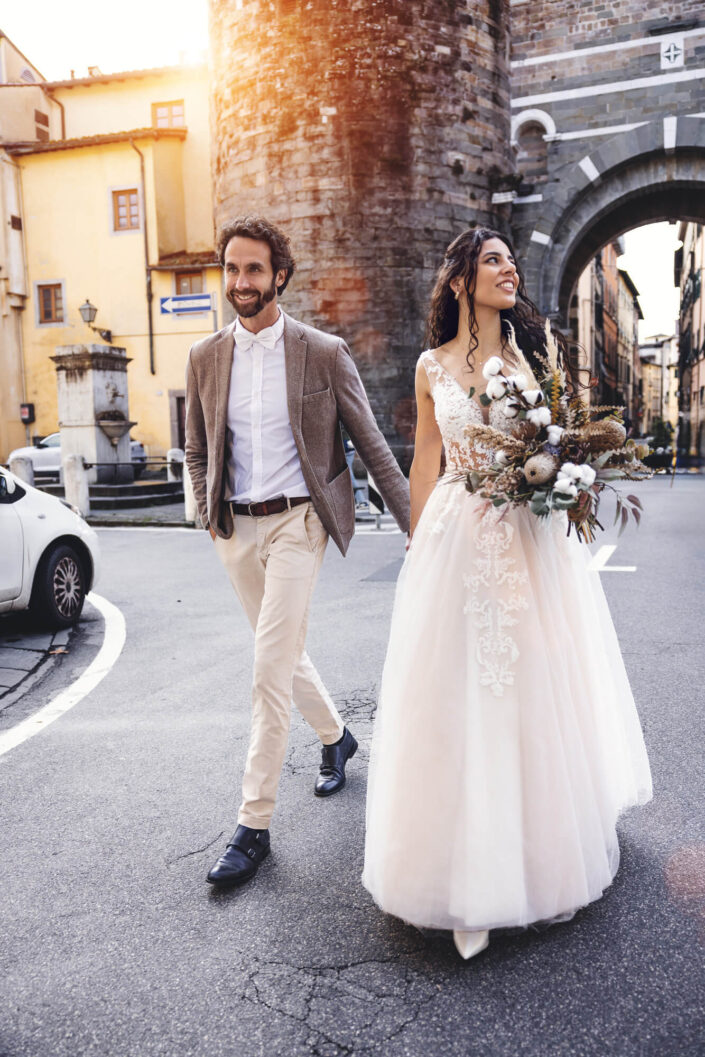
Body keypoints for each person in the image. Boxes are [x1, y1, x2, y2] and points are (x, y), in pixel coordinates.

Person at [362, 227, 652, 959]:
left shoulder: (529, 359)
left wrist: (559, 465)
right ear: (460, 279)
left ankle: (534, 855)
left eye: (510, 260)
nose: (508, 269)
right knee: (455, 696)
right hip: (458, 539)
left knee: (529, 687)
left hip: (527, 541)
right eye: (492, 260)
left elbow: (552, 440)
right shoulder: (431, 367)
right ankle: (458, 869)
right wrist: (416, 544)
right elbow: (425, 463)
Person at [185, 215, 410, 888]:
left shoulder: (322, 351)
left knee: (265, 670)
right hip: (236, 529)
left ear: (279, 274)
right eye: (231, 268)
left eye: (254, 269)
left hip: (297, 524)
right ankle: (337, 737)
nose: (241, 282)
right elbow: (196, 448)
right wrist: (206, 514)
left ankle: (252, 826)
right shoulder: (204, 358)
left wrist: (417, 526)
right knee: (280, 653)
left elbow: (372, 445)